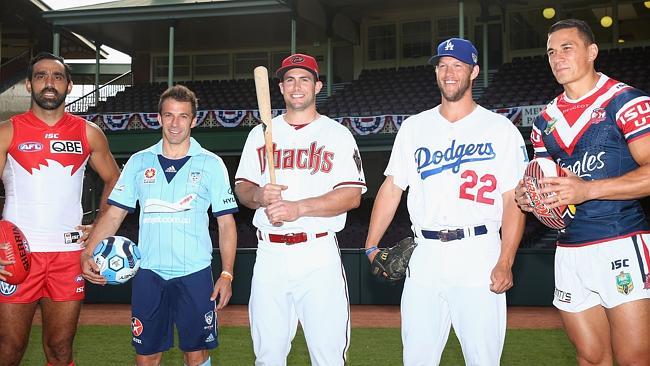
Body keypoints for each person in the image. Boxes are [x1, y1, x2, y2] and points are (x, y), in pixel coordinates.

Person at [365, 38, 528, 365]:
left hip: (479, 250)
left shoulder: (501, 130)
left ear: (474, 72)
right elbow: (393, 187)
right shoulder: (414, 128)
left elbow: (512, 200)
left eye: (458, 65)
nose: (449, 72)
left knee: (483, 358)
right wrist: (371, 245)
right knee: (416, 357)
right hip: (424, 254)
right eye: (442, 66)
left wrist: (506, 260)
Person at [515, 19, 650, 366]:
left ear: (592, 52)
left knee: (634, 358)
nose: (557, 57)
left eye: (567, 48)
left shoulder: (627, 101)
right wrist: (529, 197)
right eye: (550, 51)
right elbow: (543, 179)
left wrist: (587, 190)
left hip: (620, 239)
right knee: (590, 357)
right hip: (569, 249)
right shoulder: (545, 120)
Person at [81, 85, 238, 366]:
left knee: (196, 354)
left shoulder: (211, 164)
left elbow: (226, 223)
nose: (175, 123)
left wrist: (226, 274)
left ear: (193, 120)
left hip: (195, 272)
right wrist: (87, 253)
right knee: (147, 356)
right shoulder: (139, 162)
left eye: (182, 116)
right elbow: (114, 215)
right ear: (158, 118)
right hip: (149, 273)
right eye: (169, 115)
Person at [235, 53, 366, 365]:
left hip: (317, 252)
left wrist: (298, 208)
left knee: (328, 355)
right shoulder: (260, 132)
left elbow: (351, 196)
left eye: (304, 79)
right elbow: (242, 189)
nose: (296, 86)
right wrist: (259, 195)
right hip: (269, 255)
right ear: (280, 88)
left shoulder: (336, 134)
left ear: (317, 86)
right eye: (290, 80)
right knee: (268, 354)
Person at [0, 52, 120, 366]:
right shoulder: (7, 131)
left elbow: (114, 180)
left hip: (68, 256)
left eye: (57, 76)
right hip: (17, 256)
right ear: (28, 85)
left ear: (69, 85)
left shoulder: (88, 133)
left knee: (61, 349)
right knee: (9, 349)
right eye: (41, 76)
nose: (49, 83)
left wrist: (99, 223)